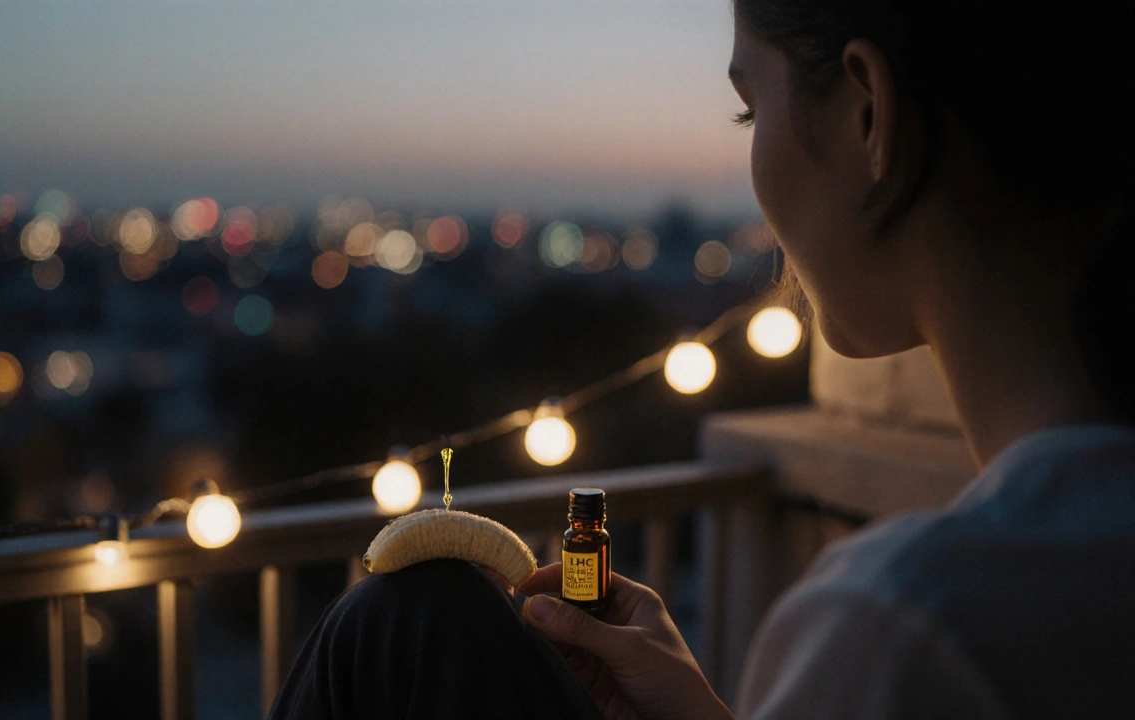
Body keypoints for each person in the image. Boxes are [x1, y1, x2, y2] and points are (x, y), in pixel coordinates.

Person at [270, 1, 1134, 717]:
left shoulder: (906, 623)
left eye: (751, 109)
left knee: (395, 626)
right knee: (431, 609)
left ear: (869, 114)